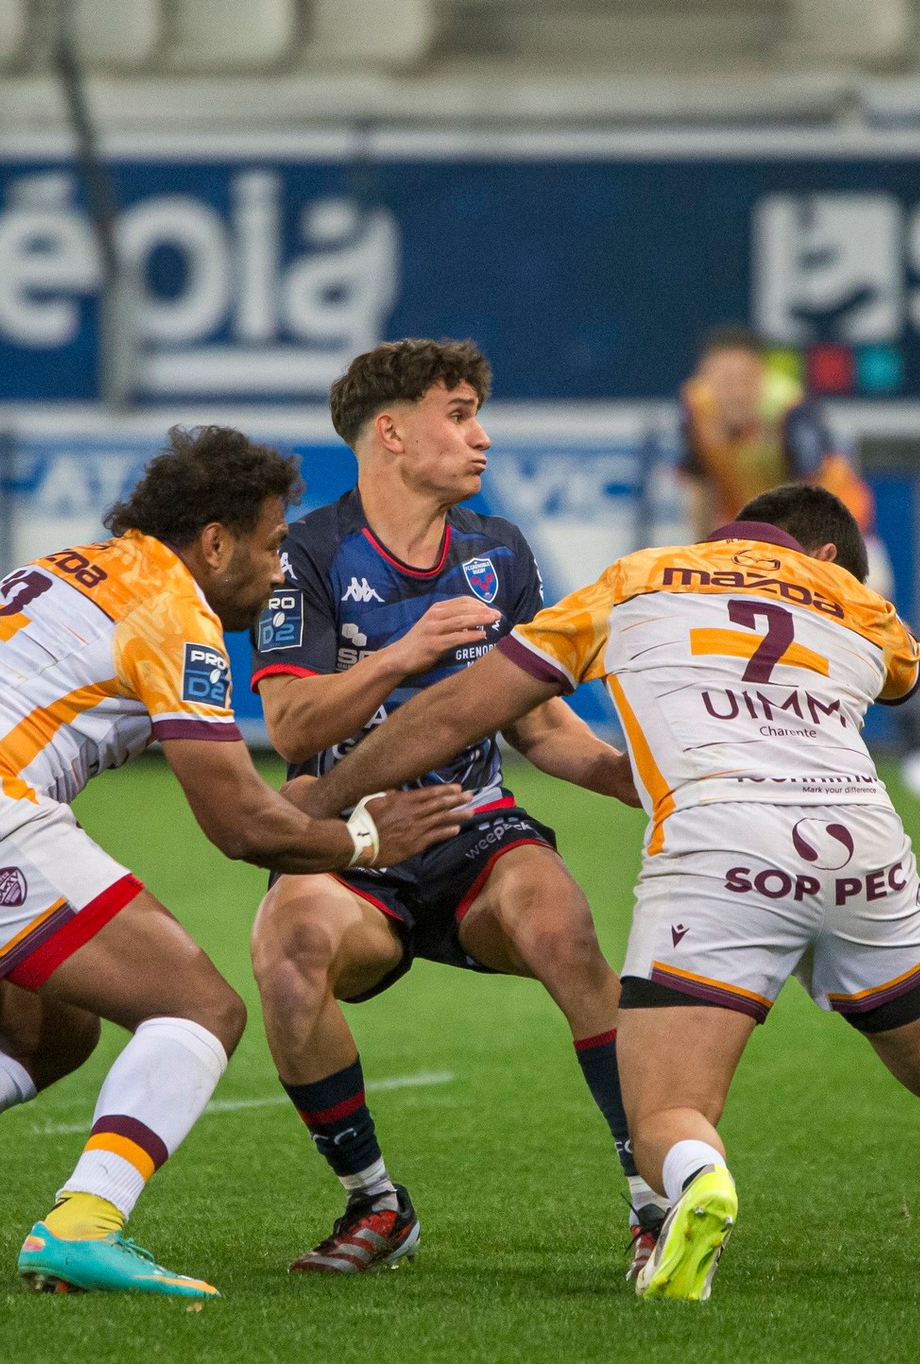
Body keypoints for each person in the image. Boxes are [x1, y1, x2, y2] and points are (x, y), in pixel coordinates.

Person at [290, 483, 920, 1303]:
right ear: (825, 555)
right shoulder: (860, 607)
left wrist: (324, 800)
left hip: (721, 845)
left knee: (665, 1114)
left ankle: (698, 1189)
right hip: (861, 841)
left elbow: (462, 708)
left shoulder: (634, 578)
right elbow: (900, 675)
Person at [0, 427, 464, 1299]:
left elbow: (242, 801)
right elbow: (241, 827)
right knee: (199, 1009)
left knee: (47, 1033)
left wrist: (328, 808)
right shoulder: (174, 608)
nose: (282, 571)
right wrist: (365, 842)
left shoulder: (68, 568)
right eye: (274, 544)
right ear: (214, 540)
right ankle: (84, 1223)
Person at [246, 339, 667, 1278]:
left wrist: (650, 790)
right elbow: (288, 721)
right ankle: (376, 1203)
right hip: (356, 841)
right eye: (460, 412)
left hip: (478, 829)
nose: (481, 437)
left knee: (562, 926)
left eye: (477, 412)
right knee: (287, 950)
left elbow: (546, 729)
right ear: (391, 432)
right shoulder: (306, 555)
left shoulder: (498, 550)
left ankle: (653, 1203)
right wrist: (400, 656)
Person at [680, 324, 920, 799]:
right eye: (720, 378)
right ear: (705, 378)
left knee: (876, 627)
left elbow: (811, 497)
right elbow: (701, 485)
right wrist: (700, 556)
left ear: (761, 377)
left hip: (835, 529)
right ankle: (748, 756)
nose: (732, 390)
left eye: (742, 378)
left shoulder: (789, 410)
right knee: (738, 641)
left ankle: (918, 752)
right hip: (753, 538)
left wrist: (806, 568)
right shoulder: (693, 407)